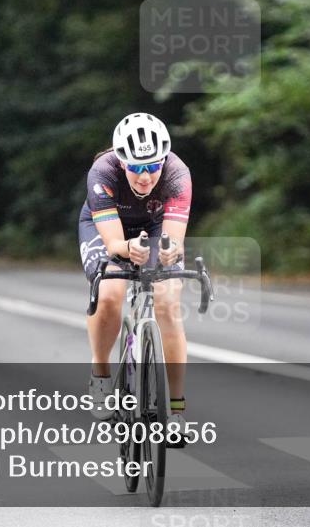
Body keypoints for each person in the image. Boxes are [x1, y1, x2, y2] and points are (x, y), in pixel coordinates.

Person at [79, 113, 192, 444]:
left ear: (164, 161)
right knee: (111, 292)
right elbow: (114, 245)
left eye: (153, 166)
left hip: (154, 227)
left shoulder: (177, 174)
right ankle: (100, 373)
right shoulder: (102, 172)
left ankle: (177, 411)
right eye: (137, 167)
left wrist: (169, 253)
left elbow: (173, 239)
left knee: (169, 303)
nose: (146, 176)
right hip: (109, 228)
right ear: (121, 160)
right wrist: (127, 249)